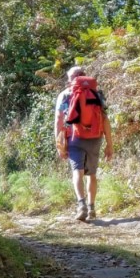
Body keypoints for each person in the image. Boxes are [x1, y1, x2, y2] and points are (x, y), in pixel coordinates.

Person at [54, 65, 113, 222]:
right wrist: (109, 144)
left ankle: (81, 206)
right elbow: (105, 119)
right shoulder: (97, 94)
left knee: (77, 171)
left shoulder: (65, 95)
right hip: (95, 137)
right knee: (92, 174)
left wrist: (59, 145)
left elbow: (59, 121)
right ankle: (92, 208)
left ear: (70, 79)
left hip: (75, 137)